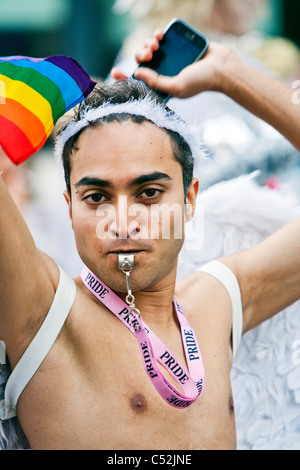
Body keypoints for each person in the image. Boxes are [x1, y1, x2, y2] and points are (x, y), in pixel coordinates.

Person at [0, 36, 300, 451]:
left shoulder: (219, 302)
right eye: (97, 197)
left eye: (149, 193)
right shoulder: (44, 315)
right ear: (69, 207)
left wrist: (229, 72)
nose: (123, 222)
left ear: (190, 197)